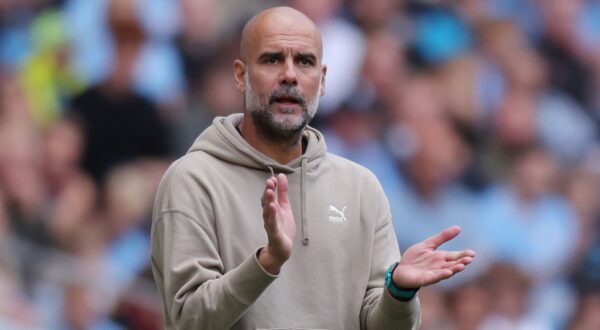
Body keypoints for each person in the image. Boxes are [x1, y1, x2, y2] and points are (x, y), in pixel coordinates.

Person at [150, 6, 475, 329]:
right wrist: (267, 263)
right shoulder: (193, 180)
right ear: (240, 75)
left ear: (321, 81)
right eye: (272, 59)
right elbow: (188, 320)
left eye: (304, 62)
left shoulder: (360, 187)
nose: (290, 75)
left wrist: (399, 291)